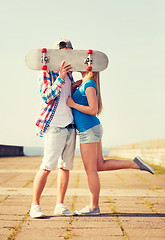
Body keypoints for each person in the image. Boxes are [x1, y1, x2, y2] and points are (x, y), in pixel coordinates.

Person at [67, 71, 155, 216]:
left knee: (91, 170)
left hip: (88, 130)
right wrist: (73, 88)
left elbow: (93, 110)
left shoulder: (89, 84)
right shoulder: (84, 84)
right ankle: (135, 164)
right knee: (99, 165)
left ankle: (93, 207)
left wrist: (74, 104)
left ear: (90, 67)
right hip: (91, 129)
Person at [30, 39, 81, 218]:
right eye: (65, 52)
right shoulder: (47, 72)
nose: (68, 56)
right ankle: (34, 205)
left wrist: (74, 85)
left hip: (70, 126)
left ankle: (60, 204)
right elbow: (46, 96)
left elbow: (66, 95)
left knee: (65, 167)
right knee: (46, 166)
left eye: (71, 52)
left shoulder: (69, 74)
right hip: (54, 126)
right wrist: (59, 78)